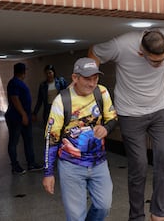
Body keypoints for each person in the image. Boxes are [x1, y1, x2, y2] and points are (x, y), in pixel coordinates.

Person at [88, 22, 164, 221]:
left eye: (163, 59)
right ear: (141, 53)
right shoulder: (122, 45)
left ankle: (159, 213)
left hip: (159, 109)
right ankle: (136, 216)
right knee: (139, 164)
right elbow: (95, 51)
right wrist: (92, 85)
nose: (160, 64)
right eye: (155, 61)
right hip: (130, 113)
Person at [42, 57, 118, 221]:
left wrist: (106, 128)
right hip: (71, 166)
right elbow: (52, 138)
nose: (92, 83)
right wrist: (48, 173)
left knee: (103, 206)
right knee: (76, 216)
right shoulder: (62, 101)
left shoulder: (101, 92)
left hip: (99, 163)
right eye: (87, 79)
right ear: (75, 78)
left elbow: (112, 118)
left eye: (95, 78)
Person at [5, 62, 43, 175]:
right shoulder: (14, 83)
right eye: (25, 71)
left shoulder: (20, 83)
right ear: (23, 72)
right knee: (14, 141)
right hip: (16, 118)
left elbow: (23, 101)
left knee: (28, 140)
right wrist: (23, 114)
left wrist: (29, 113)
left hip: (24, 117)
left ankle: (31, 163)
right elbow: (15, 99)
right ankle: (15, 166)